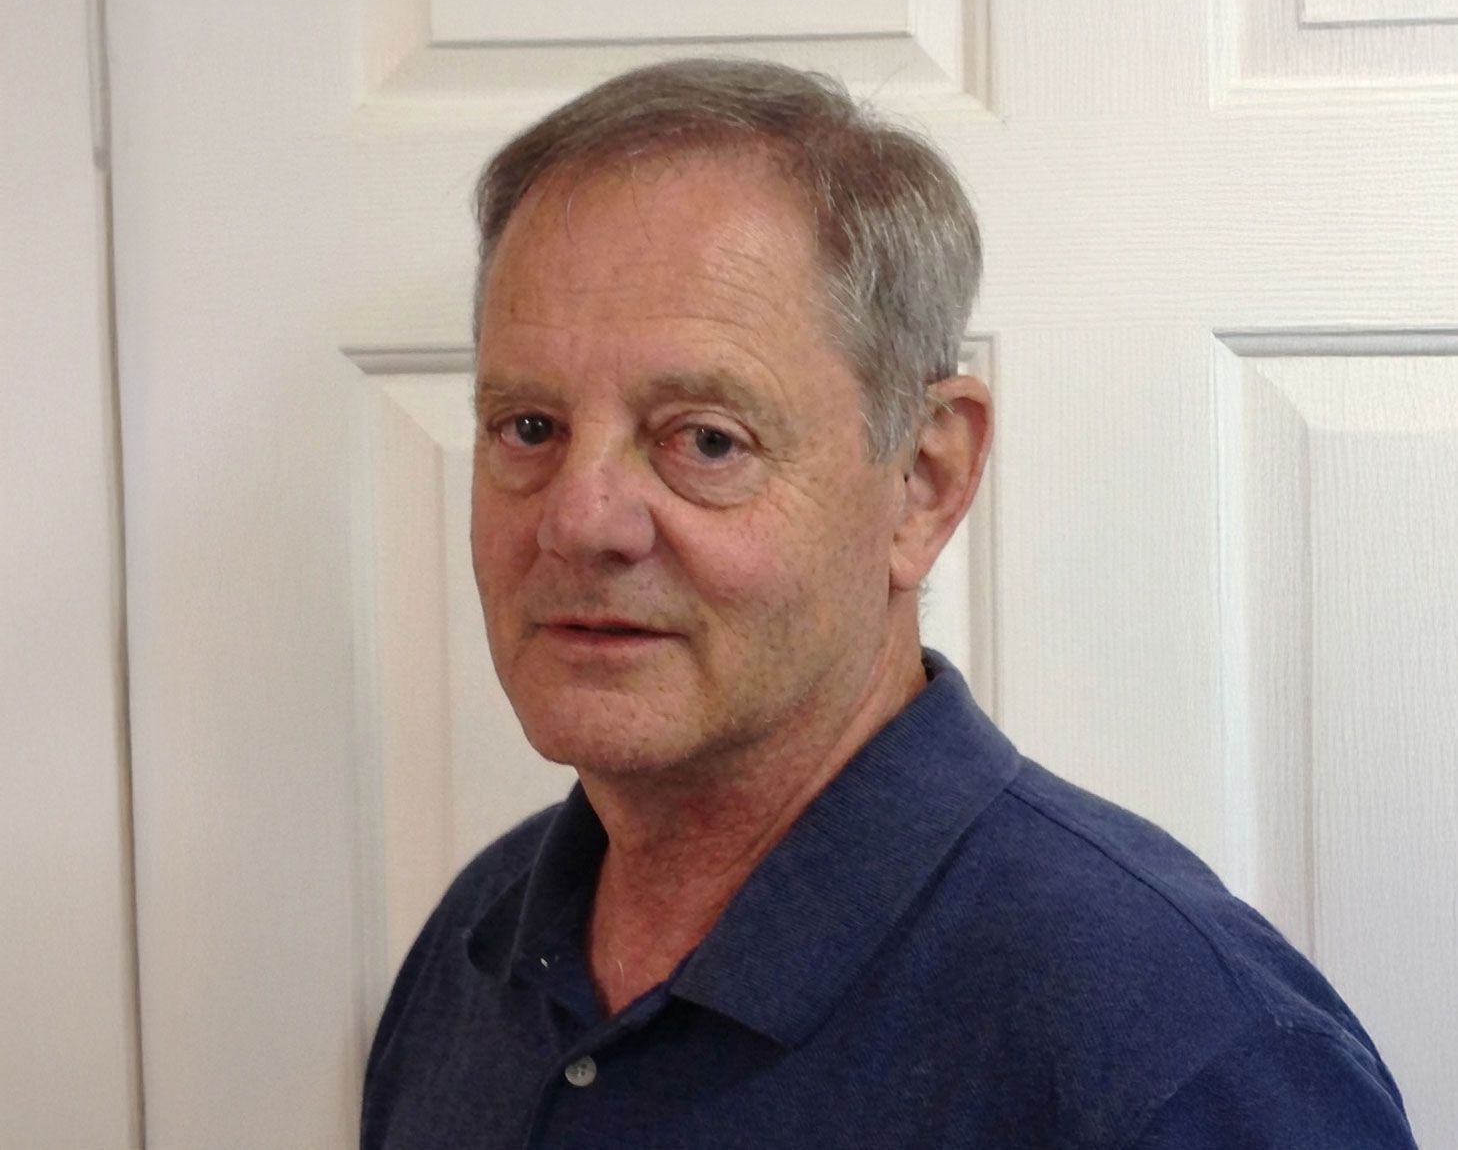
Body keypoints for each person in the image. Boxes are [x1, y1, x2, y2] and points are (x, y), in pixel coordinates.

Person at [360, 59, 1415, 1148]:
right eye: (529, 428)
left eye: (706, 439)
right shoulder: (479, 941)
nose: (580, 521)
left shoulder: (1181, 1055)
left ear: (924, 480)